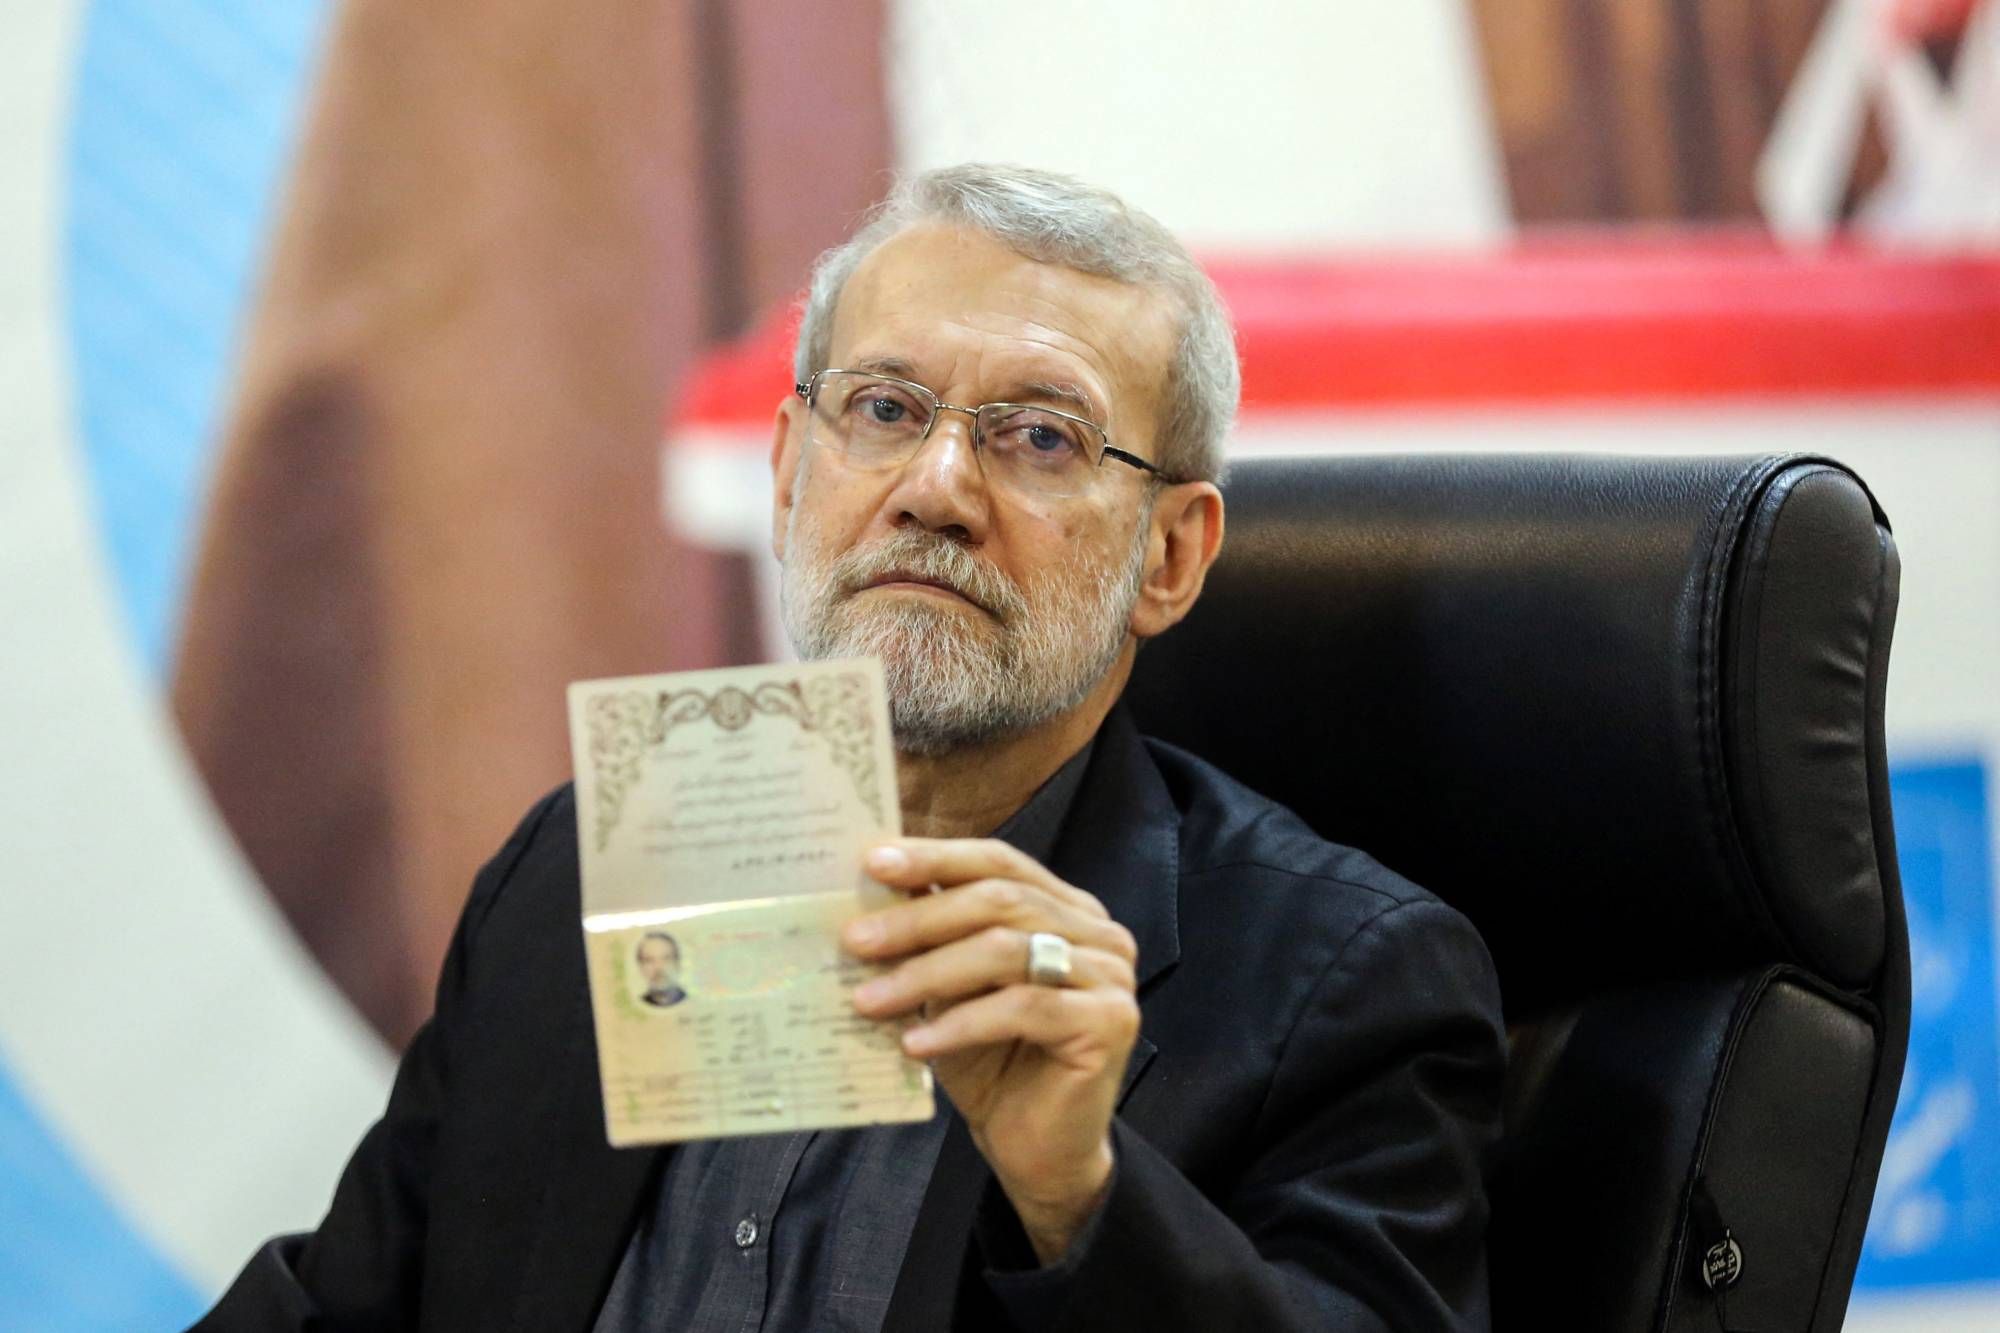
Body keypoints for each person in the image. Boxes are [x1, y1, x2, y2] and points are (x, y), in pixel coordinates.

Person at [198, 163, 1506, 1332]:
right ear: (786, 477)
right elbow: (346, 1301)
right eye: (884, 409)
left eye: (1040, 438)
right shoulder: (578, 876)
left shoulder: (1348, 986)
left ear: (1168, 556)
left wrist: (1080, 1196)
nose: (934, 488)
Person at [634, 932, 686, 1007]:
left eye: (666, 958)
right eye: (649, 960)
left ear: (677, 963)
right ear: (641, 967)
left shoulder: (691, 1001)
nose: (659, 967)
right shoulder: (638, 1004)